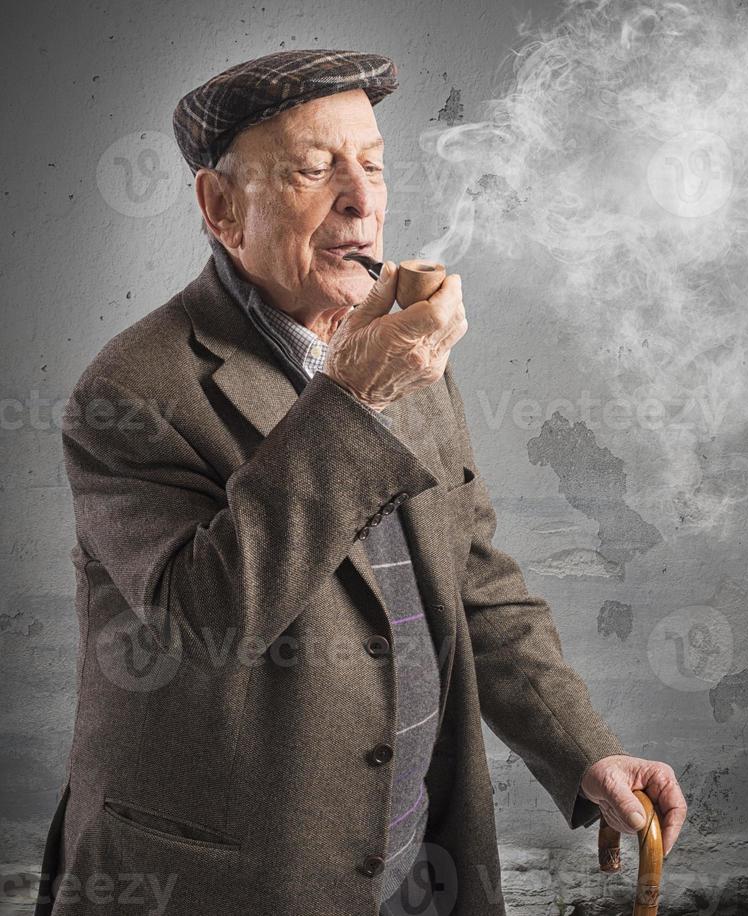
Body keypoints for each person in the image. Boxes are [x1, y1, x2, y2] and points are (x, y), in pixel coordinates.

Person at [33, 49, 687, 916]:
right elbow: (208, 623)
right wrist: (351, 396)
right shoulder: (131, 392)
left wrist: (582, 753)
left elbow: (473, 579)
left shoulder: (402, 353)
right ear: (219, 207)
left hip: (415, 862)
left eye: (372, 165)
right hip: (221, 882)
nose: (362, 198)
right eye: (314, 169)